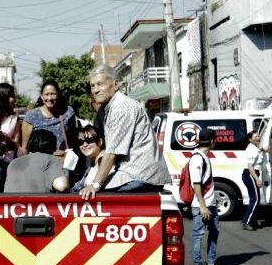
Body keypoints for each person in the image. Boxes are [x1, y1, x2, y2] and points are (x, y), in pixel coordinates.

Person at [80, 64, 170, 199]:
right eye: (93, 86)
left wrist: (95, 184)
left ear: (115, 85)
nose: (95, 90)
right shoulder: (111, 108)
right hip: (133, 175)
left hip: (140, 177)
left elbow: (112, 153)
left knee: (92, 195)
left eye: (100, 84)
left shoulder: (121, 108)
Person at [190, 128, 228, 265]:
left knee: (214, 231)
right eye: (215, 140)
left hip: (210, 204)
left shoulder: (205, 157)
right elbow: (196, 184)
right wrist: (203, 206)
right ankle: (197, 264)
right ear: (212, 141)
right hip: (202, 205)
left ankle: (211, 262)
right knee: (198, 234)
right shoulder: (197, 158)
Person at [21, 80, 78, 158]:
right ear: (41, 96)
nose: (50, 98)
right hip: (40, 164)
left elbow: (73, 139)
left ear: (58, 95)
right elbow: (25, 148)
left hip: (62, 161)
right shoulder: (32, 116)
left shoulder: (68, 112)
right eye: (46, 94)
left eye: (53, 94)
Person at [4, 129, 69, 193]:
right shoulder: (50, 159)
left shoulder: (13, 162)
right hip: (37, 202)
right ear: (53, 146)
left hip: (10, 202)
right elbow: (62, 186)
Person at [71, 125, 113, 193]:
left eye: (89, 140)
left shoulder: (103, 161)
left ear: (100, 142)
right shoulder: (92, 163)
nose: (84, 145)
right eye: (80, 142)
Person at [241, 130, 265, 231]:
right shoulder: (251, 149)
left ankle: (252, 220)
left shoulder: (255, 148)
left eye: (258, 136)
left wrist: (263, 149)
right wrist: (257, 179)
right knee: (255, 200)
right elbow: (250, 167)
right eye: (255, 137)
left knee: (255, 199)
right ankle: (246, 222)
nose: (258, 138)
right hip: (251, 174)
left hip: (253, 173)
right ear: (250, 139)